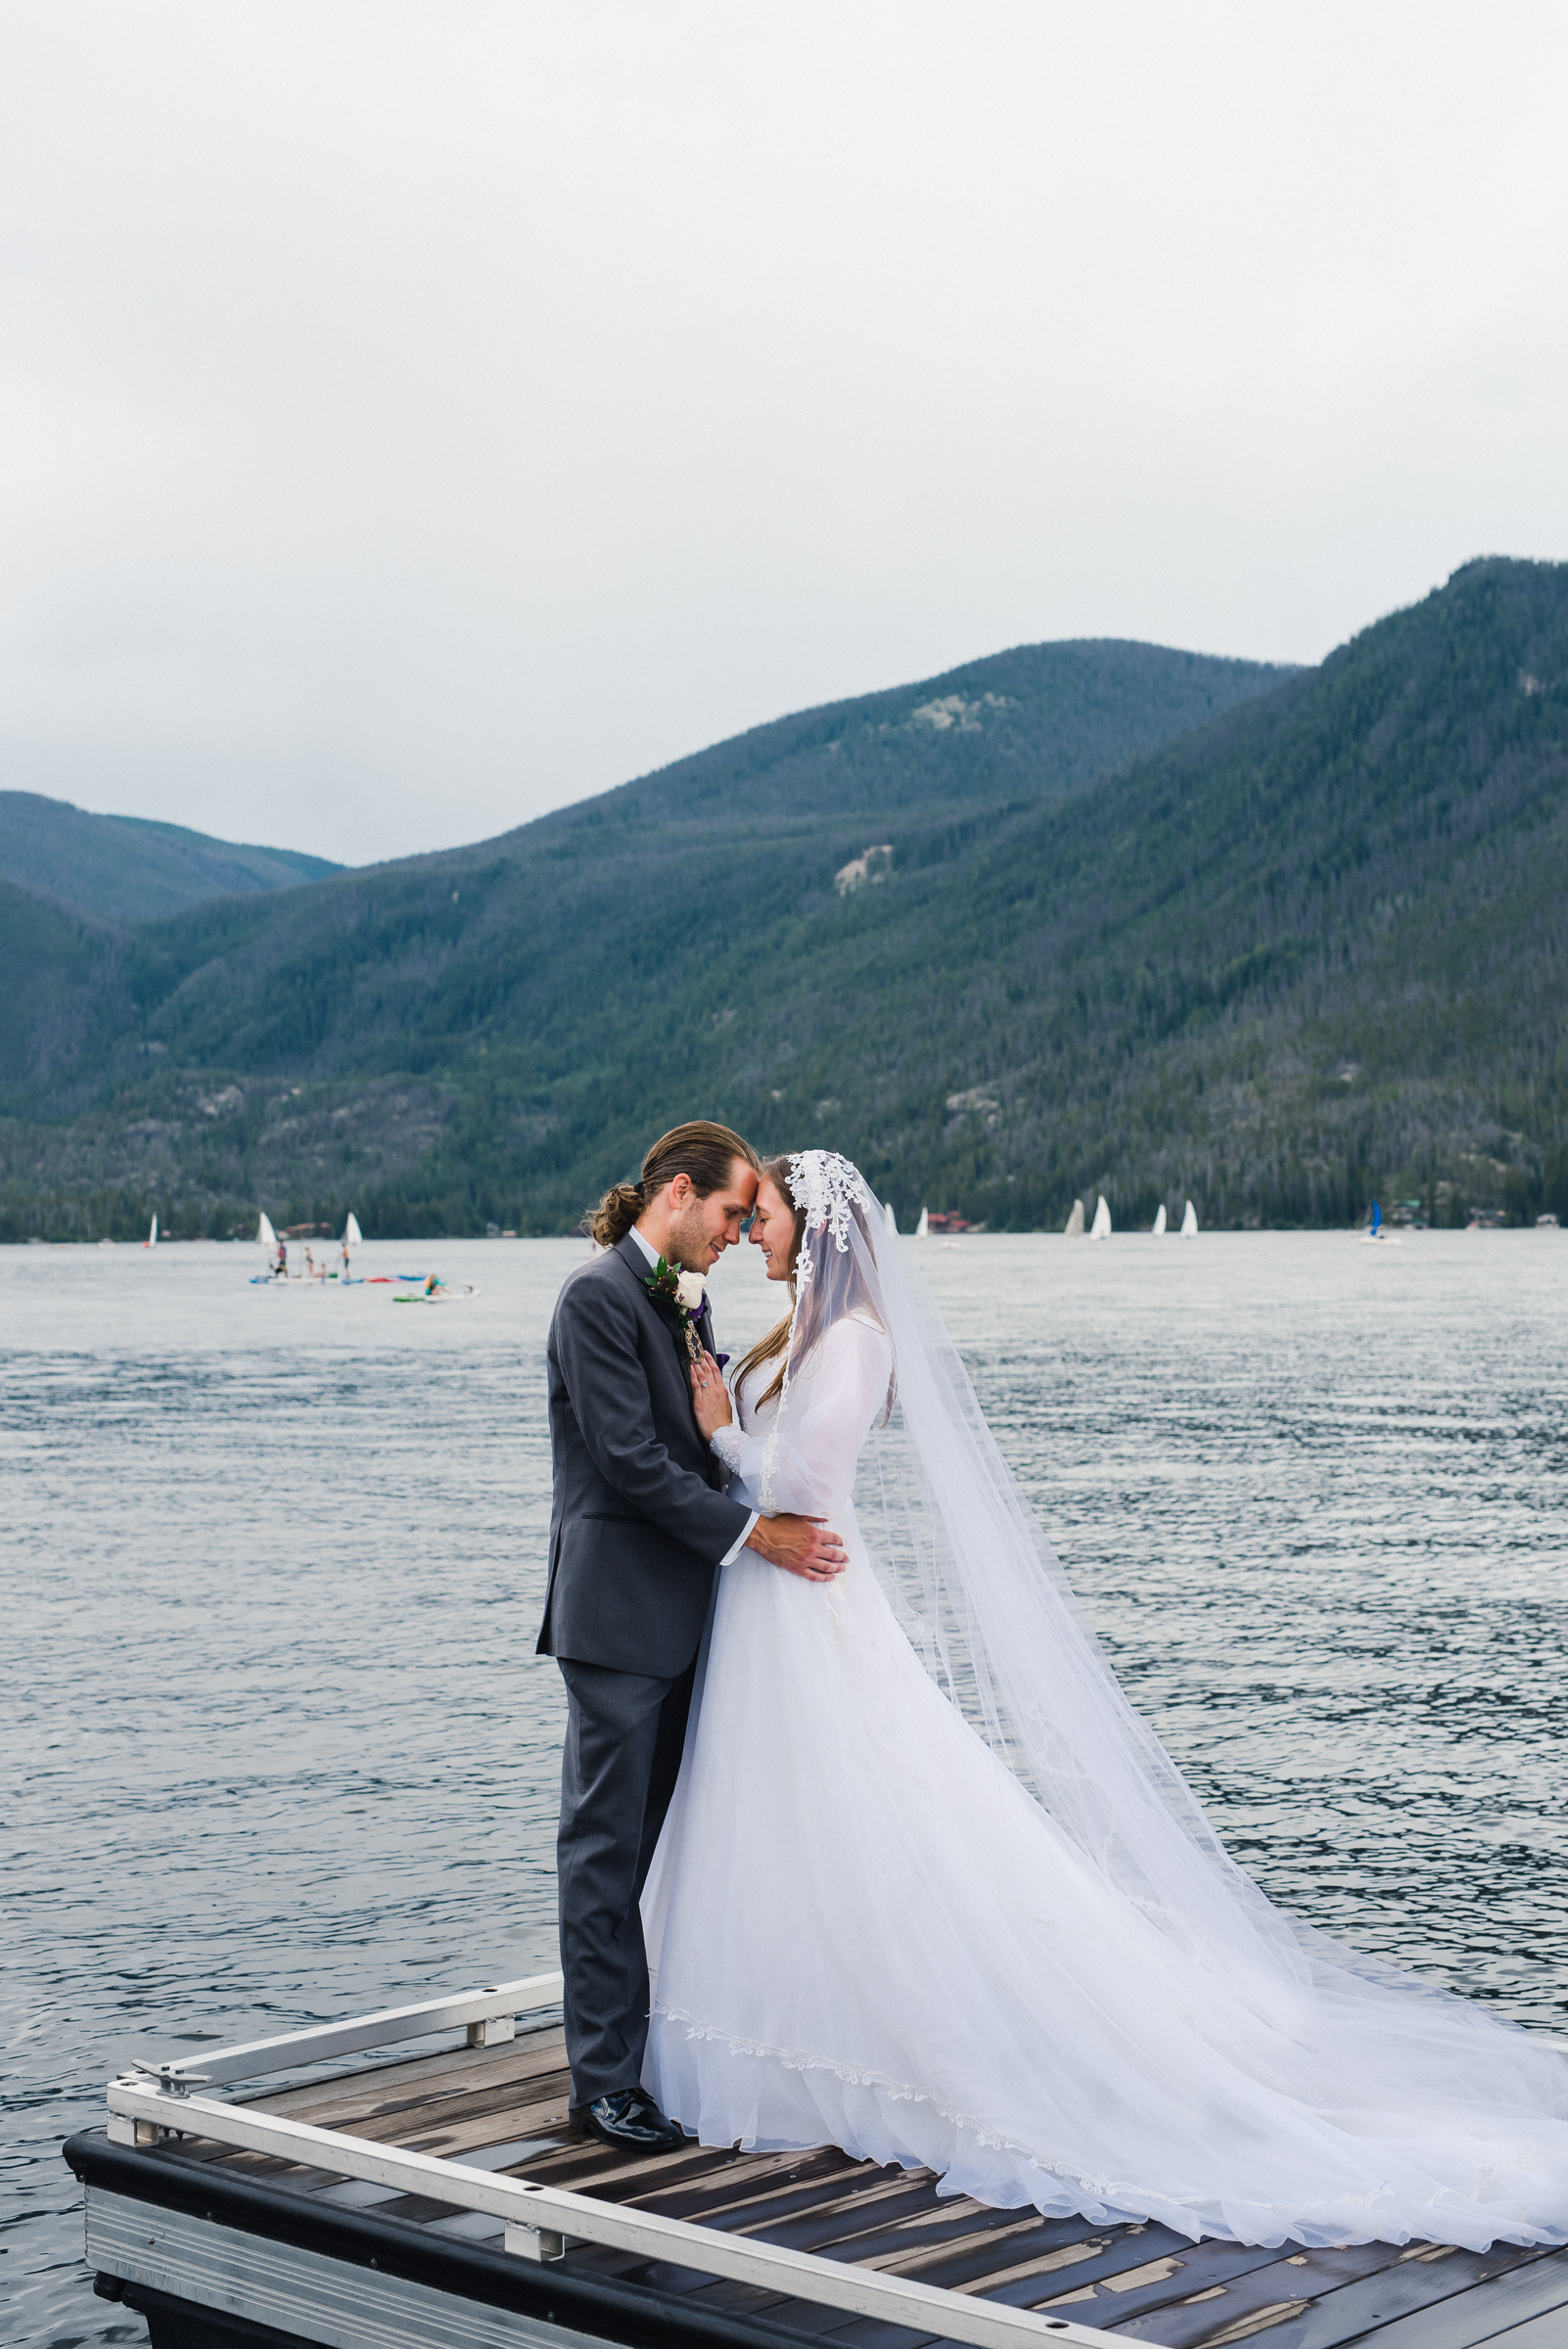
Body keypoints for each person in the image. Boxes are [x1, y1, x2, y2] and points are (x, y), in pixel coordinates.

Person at [641, 1149, 1568, 2252]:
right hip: (769, 1604)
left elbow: (800, 1489)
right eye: (747, 1221)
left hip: (808, 1599)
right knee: (784, 1821)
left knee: (869, 1813)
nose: (754, 1233)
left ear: (822, 1228)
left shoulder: (854, 1342)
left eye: (771, 1218)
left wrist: (717, 1432)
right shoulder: (794, 1333)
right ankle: (776, 2018)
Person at [540, 1121, 848, 2155]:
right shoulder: (595, 1300)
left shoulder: (685, 1298)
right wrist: (759, 1532)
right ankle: (604, 2088)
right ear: (677, 1194)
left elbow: (702, 1444)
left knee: (657, 1847)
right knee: (603, 1852)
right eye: (727, 1214)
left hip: (687, 1616)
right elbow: (628, 1461)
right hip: (619, 1619)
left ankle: (645, 2057)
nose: (734, 1235)